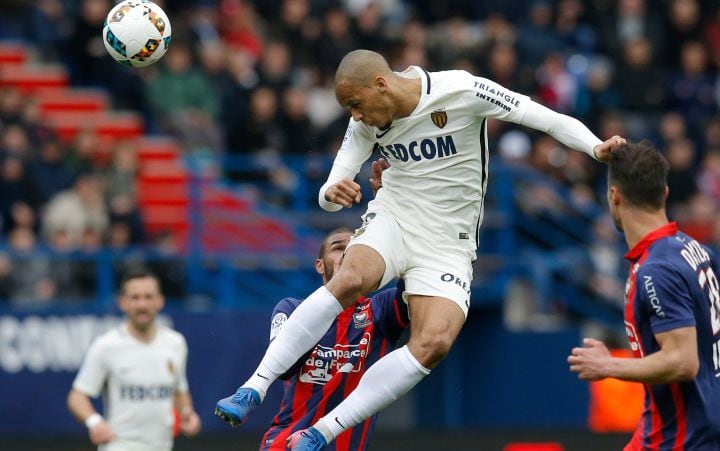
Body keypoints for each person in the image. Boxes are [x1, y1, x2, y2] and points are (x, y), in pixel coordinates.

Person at [216, 49, 625, 449]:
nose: (354, 116)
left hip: (448, 243)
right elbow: (331, 185)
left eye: (356, 104)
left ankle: (322, 433)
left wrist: (594, 147)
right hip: (395, 217)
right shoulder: (365, 123)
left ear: (381, 84)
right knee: (351, 277)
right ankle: (253, 388)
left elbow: (541, 115)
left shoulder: (462, 91)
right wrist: (330, 192)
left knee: (435, 341)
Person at [567, 142, 720, 450]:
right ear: (666, 193)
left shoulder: (657, 270)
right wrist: (705, 375)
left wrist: (608, 366)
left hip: (683, 442)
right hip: (675, 432)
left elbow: (683, 362)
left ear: (614, 197)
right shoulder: (693, 248)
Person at [240, 225, 409, 450]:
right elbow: (285, 369)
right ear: (320, 265)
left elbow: (417, 280)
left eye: (357, 248)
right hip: (286, 443)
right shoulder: (292, 309)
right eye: (338, 248)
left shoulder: (382, 310)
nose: (349, 254)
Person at [67, 268, 201, 450]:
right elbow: (77, 396)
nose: (142, 305)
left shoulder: (175, 343)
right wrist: (95, 422)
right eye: (135, 297)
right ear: (123, 302)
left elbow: (179, 391)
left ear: (160, 301)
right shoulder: (107, 345)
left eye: (148, 297)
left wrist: (187, 414)